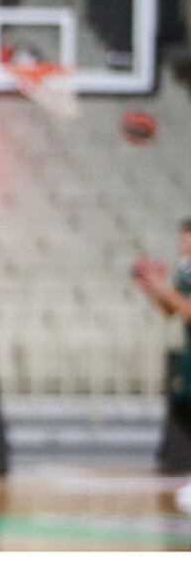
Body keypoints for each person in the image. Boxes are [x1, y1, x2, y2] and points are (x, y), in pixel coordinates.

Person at [132, 217, 191, 513]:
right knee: (184, 409)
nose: (183, 243)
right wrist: (151, 289)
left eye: (187, 237)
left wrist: (163, 287)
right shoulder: (184, 269)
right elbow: (171, 311)